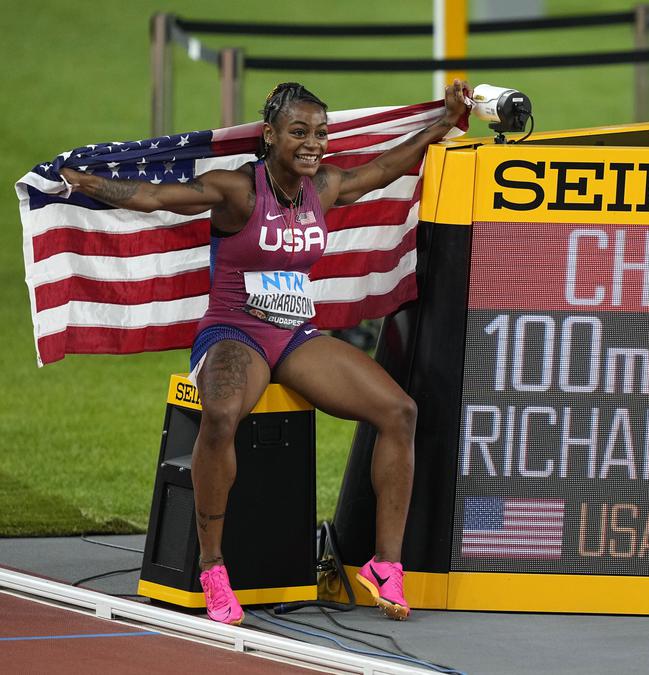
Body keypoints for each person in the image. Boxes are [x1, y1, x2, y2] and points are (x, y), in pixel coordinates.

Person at [61, 80, 472, 625]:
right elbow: (156, 198)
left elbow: (384, 168)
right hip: (234, 332)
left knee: (399, 412)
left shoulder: (321, 187)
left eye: (320, 132)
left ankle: (384, 565)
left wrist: (444, 122)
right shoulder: (239, 191)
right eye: (299, 132)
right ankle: (212, 567)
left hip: (294, 335)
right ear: (270, 135)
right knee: (224, 415)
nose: (313, 143)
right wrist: (87, 181)